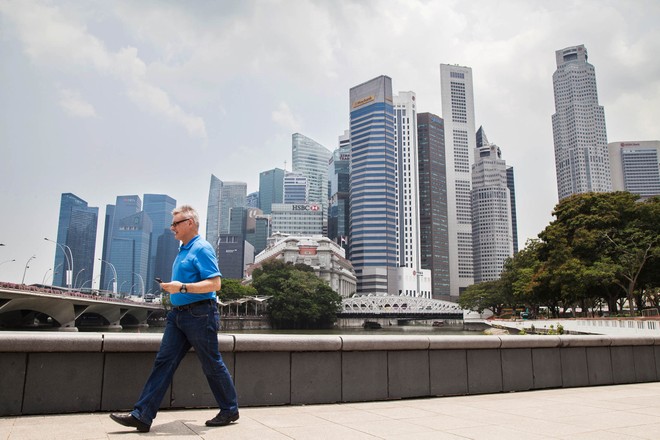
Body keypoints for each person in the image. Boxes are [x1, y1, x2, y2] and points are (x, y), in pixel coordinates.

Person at [110, 205, 239, 432]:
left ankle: (229, 409)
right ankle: (142, 415)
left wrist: (182, 288)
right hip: (178, 316)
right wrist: (173, 289)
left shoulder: (202, 248)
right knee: (163, 362)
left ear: (190, 223)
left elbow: (215, 283)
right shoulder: (182, 250)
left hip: (200, 314)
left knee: (211, 363)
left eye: (176, 223)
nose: (172, 228)